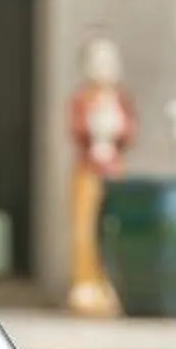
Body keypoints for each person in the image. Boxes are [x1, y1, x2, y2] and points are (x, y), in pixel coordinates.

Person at [66, 34, 134, 317]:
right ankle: (86, 283)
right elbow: (78, 129)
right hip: (89, 169)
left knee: (112, 226)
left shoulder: (119, 99)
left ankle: (111, 284)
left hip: (113, 169)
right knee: (86, 227)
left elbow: (128, 131)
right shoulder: (83, 99)